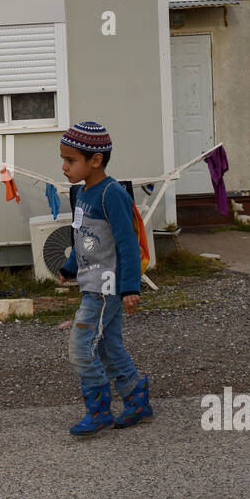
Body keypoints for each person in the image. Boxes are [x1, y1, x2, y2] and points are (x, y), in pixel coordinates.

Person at [55, 121, 153, 435]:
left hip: (106, 287)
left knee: (81, 347)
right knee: (109, 347)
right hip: (90, 282)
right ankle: (137, 398)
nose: (64, 166)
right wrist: (70, 266)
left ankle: (98, 410)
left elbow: (127, 244)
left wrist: (129, 287)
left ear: (95, 160)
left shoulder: (113, 195)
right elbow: (80, 235)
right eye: (64, 159)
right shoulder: (81, 193)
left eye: (71, 160)